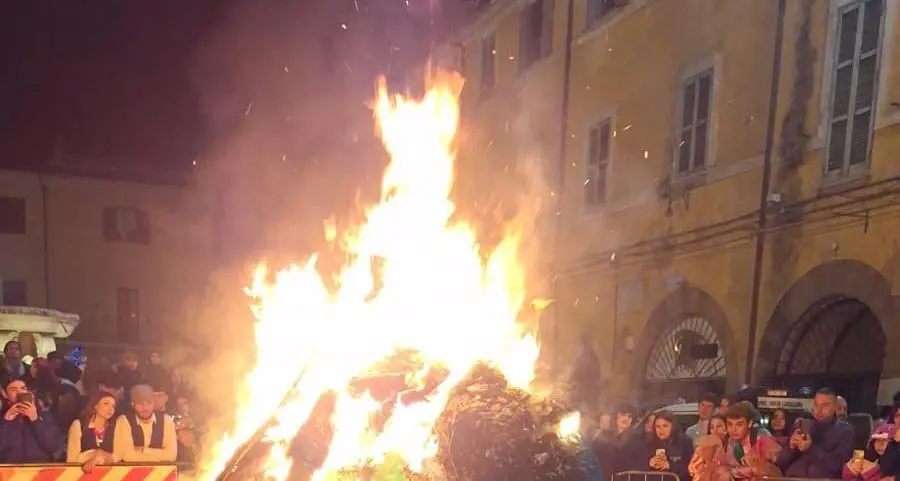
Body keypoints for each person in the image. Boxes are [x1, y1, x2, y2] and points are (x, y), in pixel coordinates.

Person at [777, 387, 853, 478]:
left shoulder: (844, 430)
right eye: (816, 405)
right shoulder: (802, 425)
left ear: (836, 406)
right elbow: (780, 462)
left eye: (825, 405)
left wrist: (810, 449)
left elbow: (839, 466)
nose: (819, 410)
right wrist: (791, 448)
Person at [0, 377, 63, 462]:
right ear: (5, 394)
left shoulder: (44, 416)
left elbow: (54, 446)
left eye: (23, 388)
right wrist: (5, 423)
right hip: (9, 470)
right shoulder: (3, 419)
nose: (20, 393)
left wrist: (35, 420)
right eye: (13, 390)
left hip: (39, 469)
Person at [113, 384, 177, 462]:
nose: (145, 407)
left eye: (149, 403)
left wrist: (143, 450)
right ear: (133, 404)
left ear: (154, 403)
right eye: (140, 403)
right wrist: (160, 453)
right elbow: (126, 456)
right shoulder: (123, 420)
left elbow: (171, 455)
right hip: (131, 472)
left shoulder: (166, 420)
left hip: (161, 472)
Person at [67, 393, 118, 471]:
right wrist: (94, 454)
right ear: (95, 406)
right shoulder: (79, 425)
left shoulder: (114, 428)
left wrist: (101, 455)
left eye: (113, 406)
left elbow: (117, 457)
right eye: (106, 404)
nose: (110, 409)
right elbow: (72, 459)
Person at [643, 410, 694, 481]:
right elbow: (637, 465)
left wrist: (669, 465)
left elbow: (690, 467)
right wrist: (649, 462)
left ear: (673, 426)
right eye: (658, 426)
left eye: (665, 426)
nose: (661, 430)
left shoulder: (685, 442)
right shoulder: (650, 443)